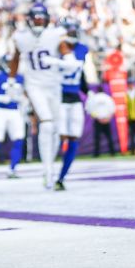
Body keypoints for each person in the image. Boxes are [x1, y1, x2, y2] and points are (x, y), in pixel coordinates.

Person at [10, 2, 82, 190]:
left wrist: (64, 60)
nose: (39, 20)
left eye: (42, 17)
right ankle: (47, 171)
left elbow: (66, 52)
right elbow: (16, 58)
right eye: (36, 17)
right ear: (29, 18)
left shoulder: (55, 34)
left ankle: (49, 166)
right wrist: (11, 80)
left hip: (54, 85)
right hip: (35, 85)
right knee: (47, 123)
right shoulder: (21, 36)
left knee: (56, 128)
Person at [55, 18, 90, 190]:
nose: (73, 33)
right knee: (60, 135)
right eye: (69, 30)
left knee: (74, 136)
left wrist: (88, 92)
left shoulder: (82, 50)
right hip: (58, 97)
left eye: (74, 30)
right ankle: (50, 171)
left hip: (74, 96)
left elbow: (81, 73)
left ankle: (61, 176)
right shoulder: (55, 49)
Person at [86, 82, 117, 156]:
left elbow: (90, 110)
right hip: (106, 120)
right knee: (109, 137)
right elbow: (113, 109)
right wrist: (108, 118)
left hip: (98, 120)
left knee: (97, 138)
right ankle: (112, 152)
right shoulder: (108, 98)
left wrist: (98, 118)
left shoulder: (94, 98)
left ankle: (96, 154)